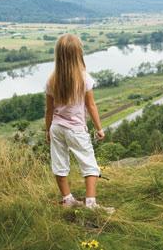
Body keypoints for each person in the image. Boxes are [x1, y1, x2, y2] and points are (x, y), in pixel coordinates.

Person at [45, 33, 114, 213]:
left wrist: (47, 131)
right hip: (76, 129)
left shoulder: (52, 80)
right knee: (89, 164)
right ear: (78, 54)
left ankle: (67, 199)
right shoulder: (84, 78)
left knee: (59, 164)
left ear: (58, 55)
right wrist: (99, 128)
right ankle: (91, 204)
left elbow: (49, 111)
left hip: (57, 128)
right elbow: (91, 105)